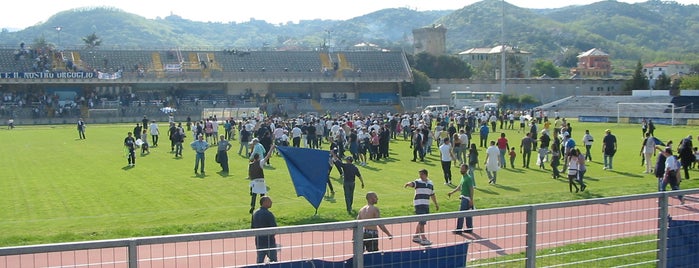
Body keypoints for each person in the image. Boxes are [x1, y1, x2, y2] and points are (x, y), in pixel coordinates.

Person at [404, 169, 439, 246]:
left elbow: (432, 194)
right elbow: (413, 183)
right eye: (419, 174)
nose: (420, 176)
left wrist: (436, 204)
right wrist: (408, 184)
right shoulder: (418, 182)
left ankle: (416, 236)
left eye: (421, 174)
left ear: (426, 175)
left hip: (426, 204)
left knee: (422, 221)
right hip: (418, 204)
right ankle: (423, 238)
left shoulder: (430, 183)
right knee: (422, 221)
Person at [448, 164, 475, 234]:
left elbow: (471, 189)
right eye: (461, 169)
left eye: (462, 169)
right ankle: (469, 228)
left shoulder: (468, 178)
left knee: (461, 214)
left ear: (466, 169)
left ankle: (458, 229)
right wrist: (452, 192)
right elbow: (459, 187)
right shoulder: (463, 177)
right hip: (464, 198)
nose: (461, 170)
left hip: (466, 199)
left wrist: (471, 200)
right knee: (467, 214)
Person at [249, 143, 275, 214]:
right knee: (263, 195)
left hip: (254, 181)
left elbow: (250, 175)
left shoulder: (250, 165)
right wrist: (272, 148)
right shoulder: (260, 162)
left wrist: (250, 186)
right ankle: (264, 207)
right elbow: (267, 156)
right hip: (260, 181)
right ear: (259, 157)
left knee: (254, 195)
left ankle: (252, 206)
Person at [251, 196, 278, 263]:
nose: (271, 202)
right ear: (264, 202)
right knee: (273, 261)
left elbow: (252, 227)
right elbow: (274, 228)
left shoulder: (255, 213)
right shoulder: (269, 214)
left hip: (259, 241)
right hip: (269, 242)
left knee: (259, 261)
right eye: (269, 201)